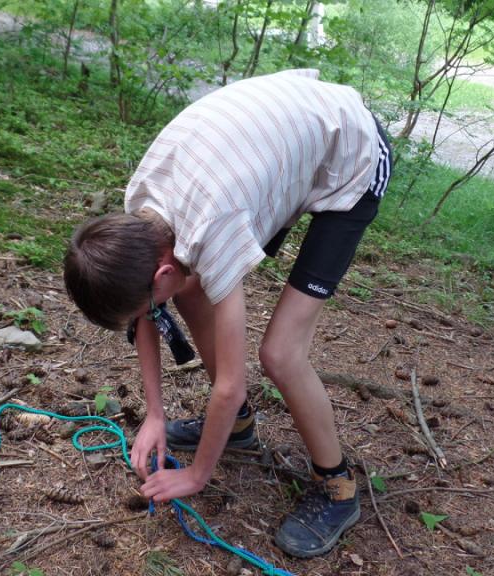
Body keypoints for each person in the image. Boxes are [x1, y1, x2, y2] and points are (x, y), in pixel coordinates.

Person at [63, 69, 392, 559]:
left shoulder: (212, 230)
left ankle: (338, 487)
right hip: (267, 160)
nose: (151, 311)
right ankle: (236, 429)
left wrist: (197, 475)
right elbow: (149, 314)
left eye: (151, 301)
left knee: (281, 353)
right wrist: (155, 413)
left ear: (159, 272)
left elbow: (231, 382)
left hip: (351, 154)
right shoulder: (141, 209)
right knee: (191, 290)